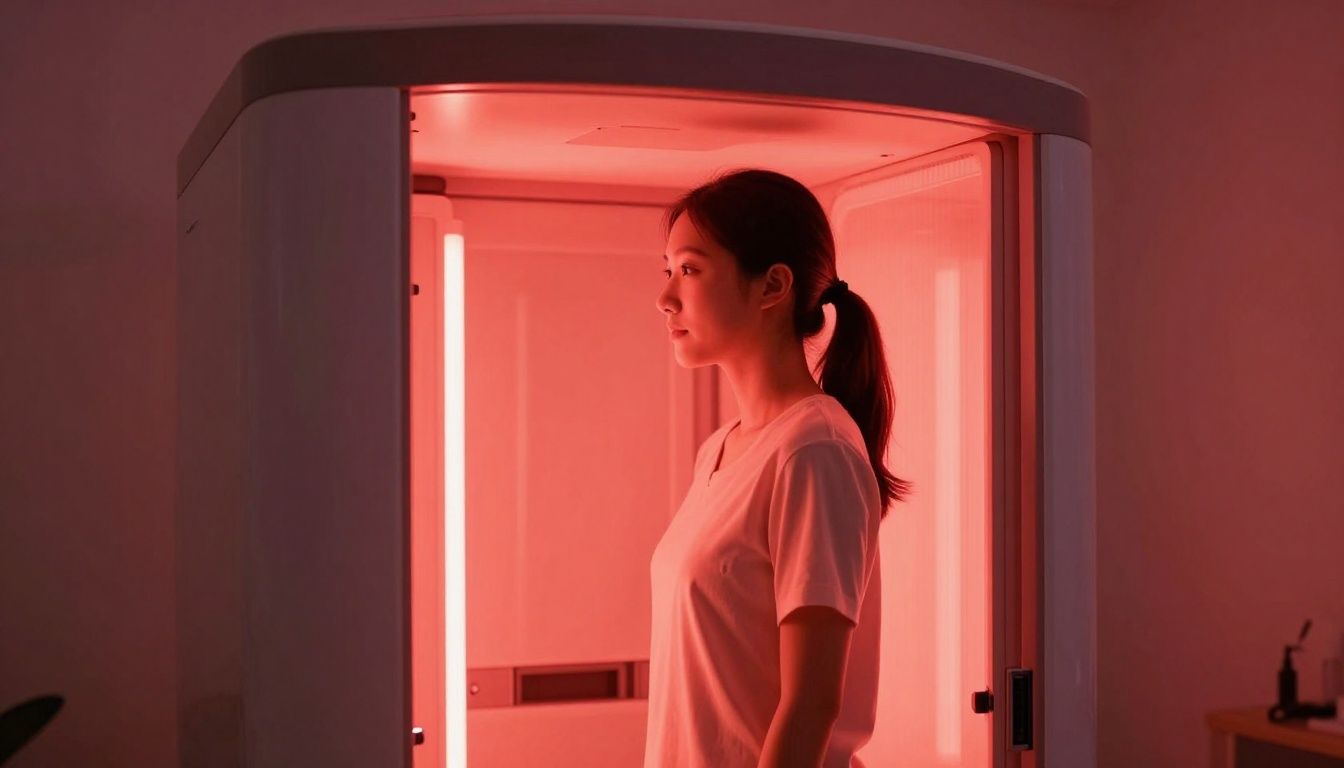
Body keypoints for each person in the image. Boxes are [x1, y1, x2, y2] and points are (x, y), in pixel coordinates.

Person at [646, 168, 911, 768]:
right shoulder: (720, 449)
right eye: (668, 271)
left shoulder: (814, 450)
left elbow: (811, 705)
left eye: (689, 269)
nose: (666, 297)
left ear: (772, 286)